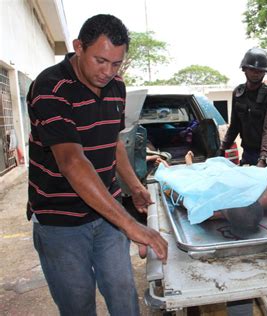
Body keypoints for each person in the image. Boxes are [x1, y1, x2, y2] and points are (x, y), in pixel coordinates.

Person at [26, 14, 168, 316]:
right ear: (78, 47)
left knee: (123, 294)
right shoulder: (50, 87)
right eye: (100, 61)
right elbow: (72, 161)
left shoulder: (116, 86)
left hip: (107, 214)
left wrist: (134, 186)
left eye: (116, 64)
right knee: (78, 306)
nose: (107, 72)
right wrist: (130, 224)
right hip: (59, 221)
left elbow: (112, 142)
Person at [218, 47, 267, 182]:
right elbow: (234, 126)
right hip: (249, 152)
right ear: (244, 69)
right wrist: (222, 148)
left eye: (260, 71)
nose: (256, 74)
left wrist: (263, 158)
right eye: (252, 70)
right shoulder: (238, 93)